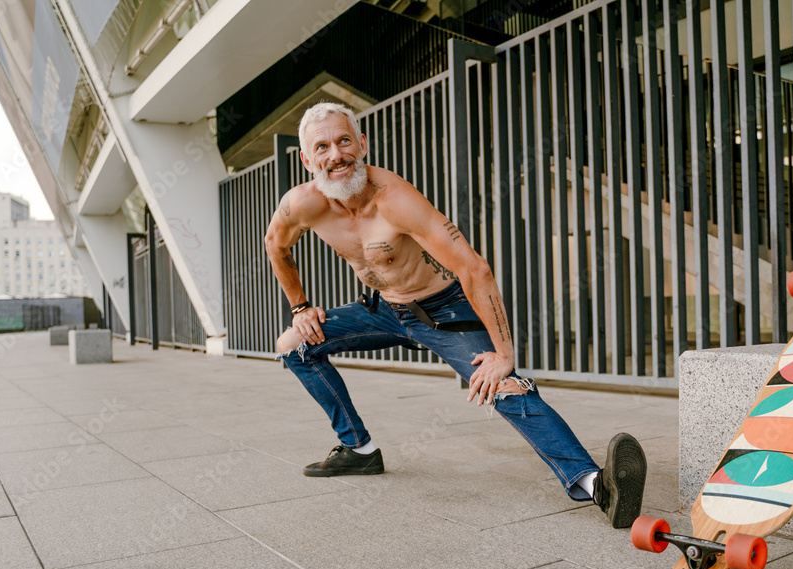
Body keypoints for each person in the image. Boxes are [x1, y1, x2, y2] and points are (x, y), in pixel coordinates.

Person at [264, 102, 646, 528]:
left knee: (503, 385)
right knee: (293, 345)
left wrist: (503, 353)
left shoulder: (394, 200)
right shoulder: (302, 204)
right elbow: (275, 245)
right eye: (322, 147)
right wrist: (300, 307)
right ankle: (359, 449)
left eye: (343, 140)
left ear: (362, 144)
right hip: (383, 309)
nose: (335, 155)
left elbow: (473, 268)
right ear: (307, 158)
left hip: (442, 310)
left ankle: (595, 484)